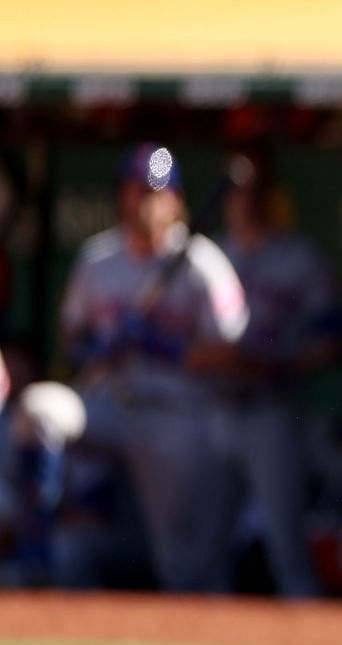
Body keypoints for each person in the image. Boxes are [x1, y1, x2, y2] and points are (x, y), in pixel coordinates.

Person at [11, 146, 248, 591]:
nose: (143, 201)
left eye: (154, 192)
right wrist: (96, 349)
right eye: (136, 189)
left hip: (172, 414)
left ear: (175, 200)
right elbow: (72, 339)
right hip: (109, 403)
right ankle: (36, 543)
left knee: (184, 566)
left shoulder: (201, 263)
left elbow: (234, 349)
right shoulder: (98, 259)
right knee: (41, 408)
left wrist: (165, 347)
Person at [204, 152, 342, 598]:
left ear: (270, 195)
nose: (244, 201)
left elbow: (336, 341)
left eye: (254, 190)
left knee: (288, 546)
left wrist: (277, 365)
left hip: (273, 409)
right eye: (236, 191)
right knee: (204, 551)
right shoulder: (208, 257)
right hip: (215, 410)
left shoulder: (299, 258)